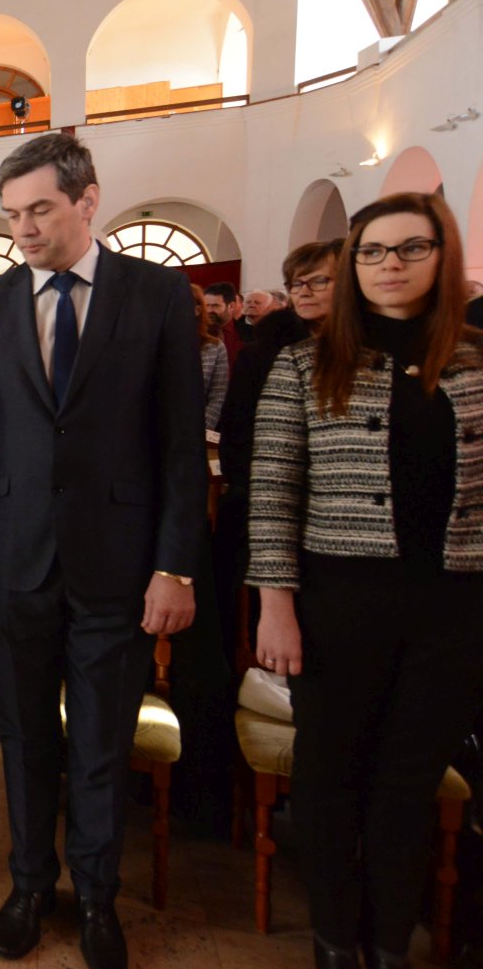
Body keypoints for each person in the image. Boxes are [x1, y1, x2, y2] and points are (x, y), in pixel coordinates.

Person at [0, 133, 205, 969]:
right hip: (12, 561)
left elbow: (179, 447)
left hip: (118, 566)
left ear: (88, 201)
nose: (22, 228)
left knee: (99, 742)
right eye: (12, 214)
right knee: (23, 736)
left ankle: (96, 898)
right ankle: (28, 884)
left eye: (40, 210)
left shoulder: (157, 296)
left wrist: (175, 565)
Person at [249, 192, 483, 969]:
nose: (390, 264)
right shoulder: (306, 362)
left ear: (442, 257)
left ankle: (389, 952)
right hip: (339, 601)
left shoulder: (474, 361)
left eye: (411, 247)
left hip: (452, 606)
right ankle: (333, 946)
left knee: (408, 786)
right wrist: (275, 603)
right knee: (328, 778)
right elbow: (273, 490)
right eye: (373, 251)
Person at [213, 241, 338, 674]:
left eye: (318, 281)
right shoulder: (280, 357)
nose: (304, 291)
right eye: (296, 283)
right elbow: (242, 430)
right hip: (270, 502)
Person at [193, 283, 229, 431]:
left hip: (197, 427)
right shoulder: (155, 342)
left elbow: (218, 395)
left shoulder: (214, 347)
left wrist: (202, 429)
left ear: (197, 310)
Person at [204, 281, 243, 363]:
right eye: (206, 305)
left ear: (231, 306)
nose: (209, 310)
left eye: (215, 306)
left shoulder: (249, 334)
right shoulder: (195, 332)